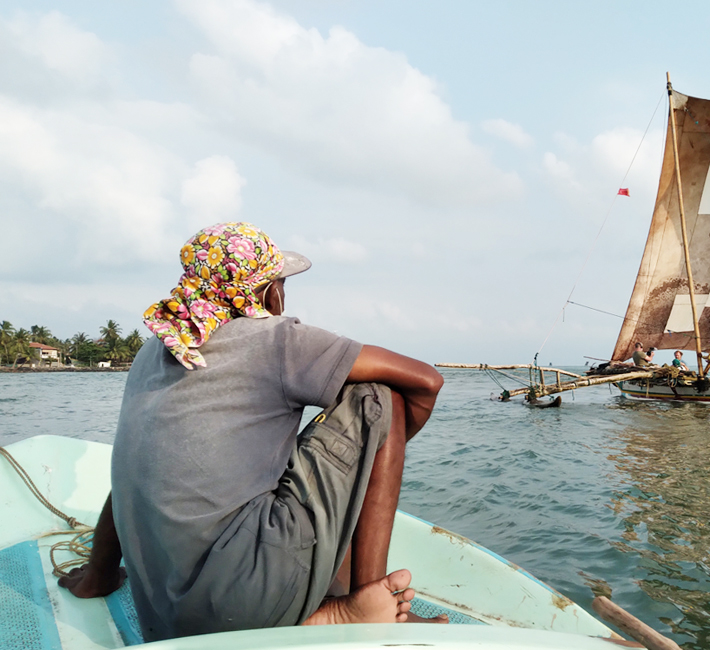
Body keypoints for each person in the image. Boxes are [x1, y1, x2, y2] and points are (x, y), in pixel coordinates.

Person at [57, 223, 445, 641]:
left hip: (168, 617)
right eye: (280, 284)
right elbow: (426, 380)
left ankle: (321, 607)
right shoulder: (277, 339)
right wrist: (381, 449)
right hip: (244, 599)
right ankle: (370, 603)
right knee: (382, 397)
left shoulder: (155, 350)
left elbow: (136, 470)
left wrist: (98, 573)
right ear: (268, 293)